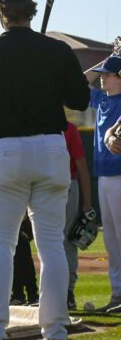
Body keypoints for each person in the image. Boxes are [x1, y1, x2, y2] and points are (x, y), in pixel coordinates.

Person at [0, 0, 89, 340]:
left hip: (9, 152)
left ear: (0, 11)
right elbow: (79, 99)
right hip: (51, 149)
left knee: (0, 245)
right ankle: (56, 330)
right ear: (30, 9)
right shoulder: (57, 50)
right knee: (51, 244)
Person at [85, 54, 121, 313]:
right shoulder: (102, 100)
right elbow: (78, 83)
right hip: (104, 176)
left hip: (120, 174)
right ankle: (117, 294)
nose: (101, 77)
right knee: (110, 239)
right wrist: (110, 58)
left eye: (107, 74)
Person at [63, 120, 92, 310]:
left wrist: (87, 205)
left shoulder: (69, 129)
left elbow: (81, 165)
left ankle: (68, 293)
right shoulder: (38, 125)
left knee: (66, 241)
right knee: (50, 242)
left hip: (68, 185)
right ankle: (56, 293)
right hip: (43, 188)